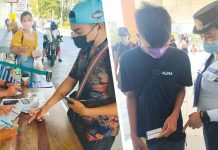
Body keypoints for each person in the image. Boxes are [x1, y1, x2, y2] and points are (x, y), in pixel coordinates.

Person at [28, 0, 119, 150]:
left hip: (99, 132)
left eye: (79, 32)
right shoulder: (85, 49)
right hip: (76, 120)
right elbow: (70, 80)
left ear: (100, 25)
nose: (75, 36)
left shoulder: (115, 55)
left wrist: (87, 111)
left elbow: (124, 105)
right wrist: (45, 107)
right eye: (73, 31)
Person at [119, 3, 192, 150]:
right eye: (152, 46)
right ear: (138, 37)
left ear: (169, 36)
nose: (159, 50)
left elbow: (181, 88)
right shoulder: (127, 59)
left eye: (163, 44)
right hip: (143, 133)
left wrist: (175, 114)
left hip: (173, 130)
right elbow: (130, 96)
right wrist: (133, 135)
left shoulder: (180, 58)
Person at [187, 1, 218, 150]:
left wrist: (204, 117)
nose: (205, 41)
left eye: (210, 36)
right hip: (211, 126)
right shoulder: (212, 57)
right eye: (203, 37)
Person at [11, 11, 41, 80]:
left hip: (33, 61)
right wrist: (20, 50)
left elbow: (34, 51)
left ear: (32, 21)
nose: (27, 23)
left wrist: (39, 63)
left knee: (34, 82)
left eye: (29, 20)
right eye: (24, 21)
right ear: (21, 22)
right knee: (25, 84)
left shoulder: (34, 34)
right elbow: (13, 50)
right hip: (22, 61)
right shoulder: (19, 33)